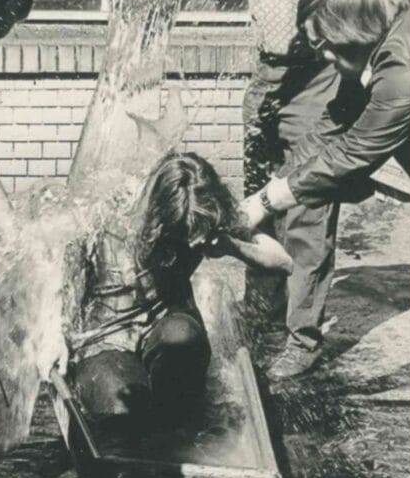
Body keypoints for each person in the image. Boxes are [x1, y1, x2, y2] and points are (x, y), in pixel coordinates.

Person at [185, 0, 358, 377]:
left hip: (318, 77)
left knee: (305, 208)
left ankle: (302, 339)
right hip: (265, 73)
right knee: (257, 204)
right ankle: (263, 316)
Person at [240, 0, 410, 375]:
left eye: (332, 48)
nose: (328, 60)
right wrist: (277, 183)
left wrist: (268, 200)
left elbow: (351, 154)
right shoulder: (371, 46)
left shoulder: (401, 70)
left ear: (357, 30)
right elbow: (334, 122)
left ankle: (303, 342)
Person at [61, 151, 293, 426]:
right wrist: (57, 340)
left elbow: (284, 262)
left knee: (181, 356)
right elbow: (64, 286)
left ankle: (176, 419)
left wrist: (232, 246)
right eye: (184, 233)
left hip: (167, 323)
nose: (195, 243)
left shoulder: (204, 215)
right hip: (105, 337)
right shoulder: (108, 218)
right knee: (122, 410)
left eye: (199, 233)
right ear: (160, 217)